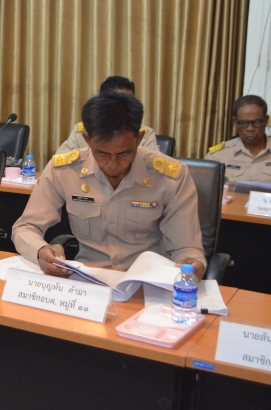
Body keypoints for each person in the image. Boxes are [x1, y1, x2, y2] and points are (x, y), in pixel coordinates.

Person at [13, 92, 206, 279]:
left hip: (147, 282)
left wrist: (193, 263)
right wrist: (41, 250)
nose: (113, 165)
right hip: (89, 279)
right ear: (87, 140)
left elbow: (187, 247)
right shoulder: (64, 170)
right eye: (103, 154)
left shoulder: (171, 177)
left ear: (139, 139)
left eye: (124, 154)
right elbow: (26, 227)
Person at [56, 76, 158, 154]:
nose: (122, 107)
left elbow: (152, 167)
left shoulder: (145, 134)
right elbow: (61, 163)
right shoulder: (82, 130)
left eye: (129, 102)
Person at [205, 95, 271, 188]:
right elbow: (206, 191)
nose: (250, 128)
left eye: (256, 122)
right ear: (234, 122)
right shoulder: (218, 156)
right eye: (243, 123)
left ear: (266, 121)